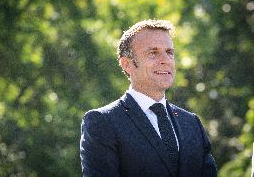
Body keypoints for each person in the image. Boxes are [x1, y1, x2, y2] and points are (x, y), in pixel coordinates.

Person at [80, 19, 217, 177]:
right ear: (127, 64)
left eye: (169, 52)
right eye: (153, 53)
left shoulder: (192, 123)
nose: (165, 60)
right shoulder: (102, 122)